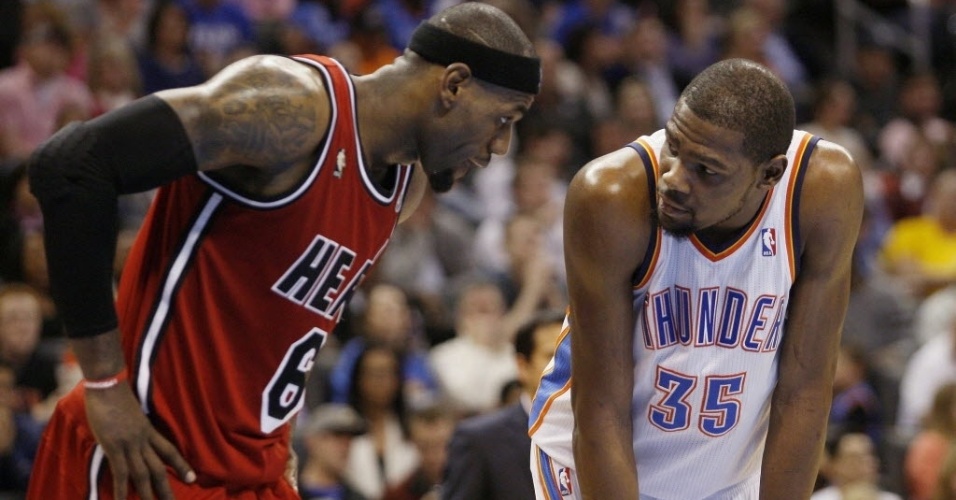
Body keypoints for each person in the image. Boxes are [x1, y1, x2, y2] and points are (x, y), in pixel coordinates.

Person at [24, 2, 539, 499]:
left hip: (252, 468)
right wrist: (105, 385)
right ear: (453, 84)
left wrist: (278, 426)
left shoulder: (406, 186)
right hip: (147, 456)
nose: (499, 149)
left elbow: (285, 319)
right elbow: (71, 164)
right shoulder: (291, 107)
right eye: (504, 120)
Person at [529, 58, 863, 499]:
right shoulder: (610, 195)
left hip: (726, 478)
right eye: (674, 146)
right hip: (593, 461)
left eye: (705, 170)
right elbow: (601, 410)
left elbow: (804, 390)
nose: (674, 179)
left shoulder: (822, 191)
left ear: (770, 174)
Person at [443, 309, 563, 500]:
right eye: (552, 356)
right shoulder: (480, 440)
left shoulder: (606, 432)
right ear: (522, 366)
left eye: (575, 356)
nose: (568, 366)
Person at [296, 403, 369, 500]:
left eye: (350, 438)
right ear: (311, 441)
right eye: (337, 435)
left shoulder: (359, 497)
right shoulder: (285, 493)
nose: (345, 446)